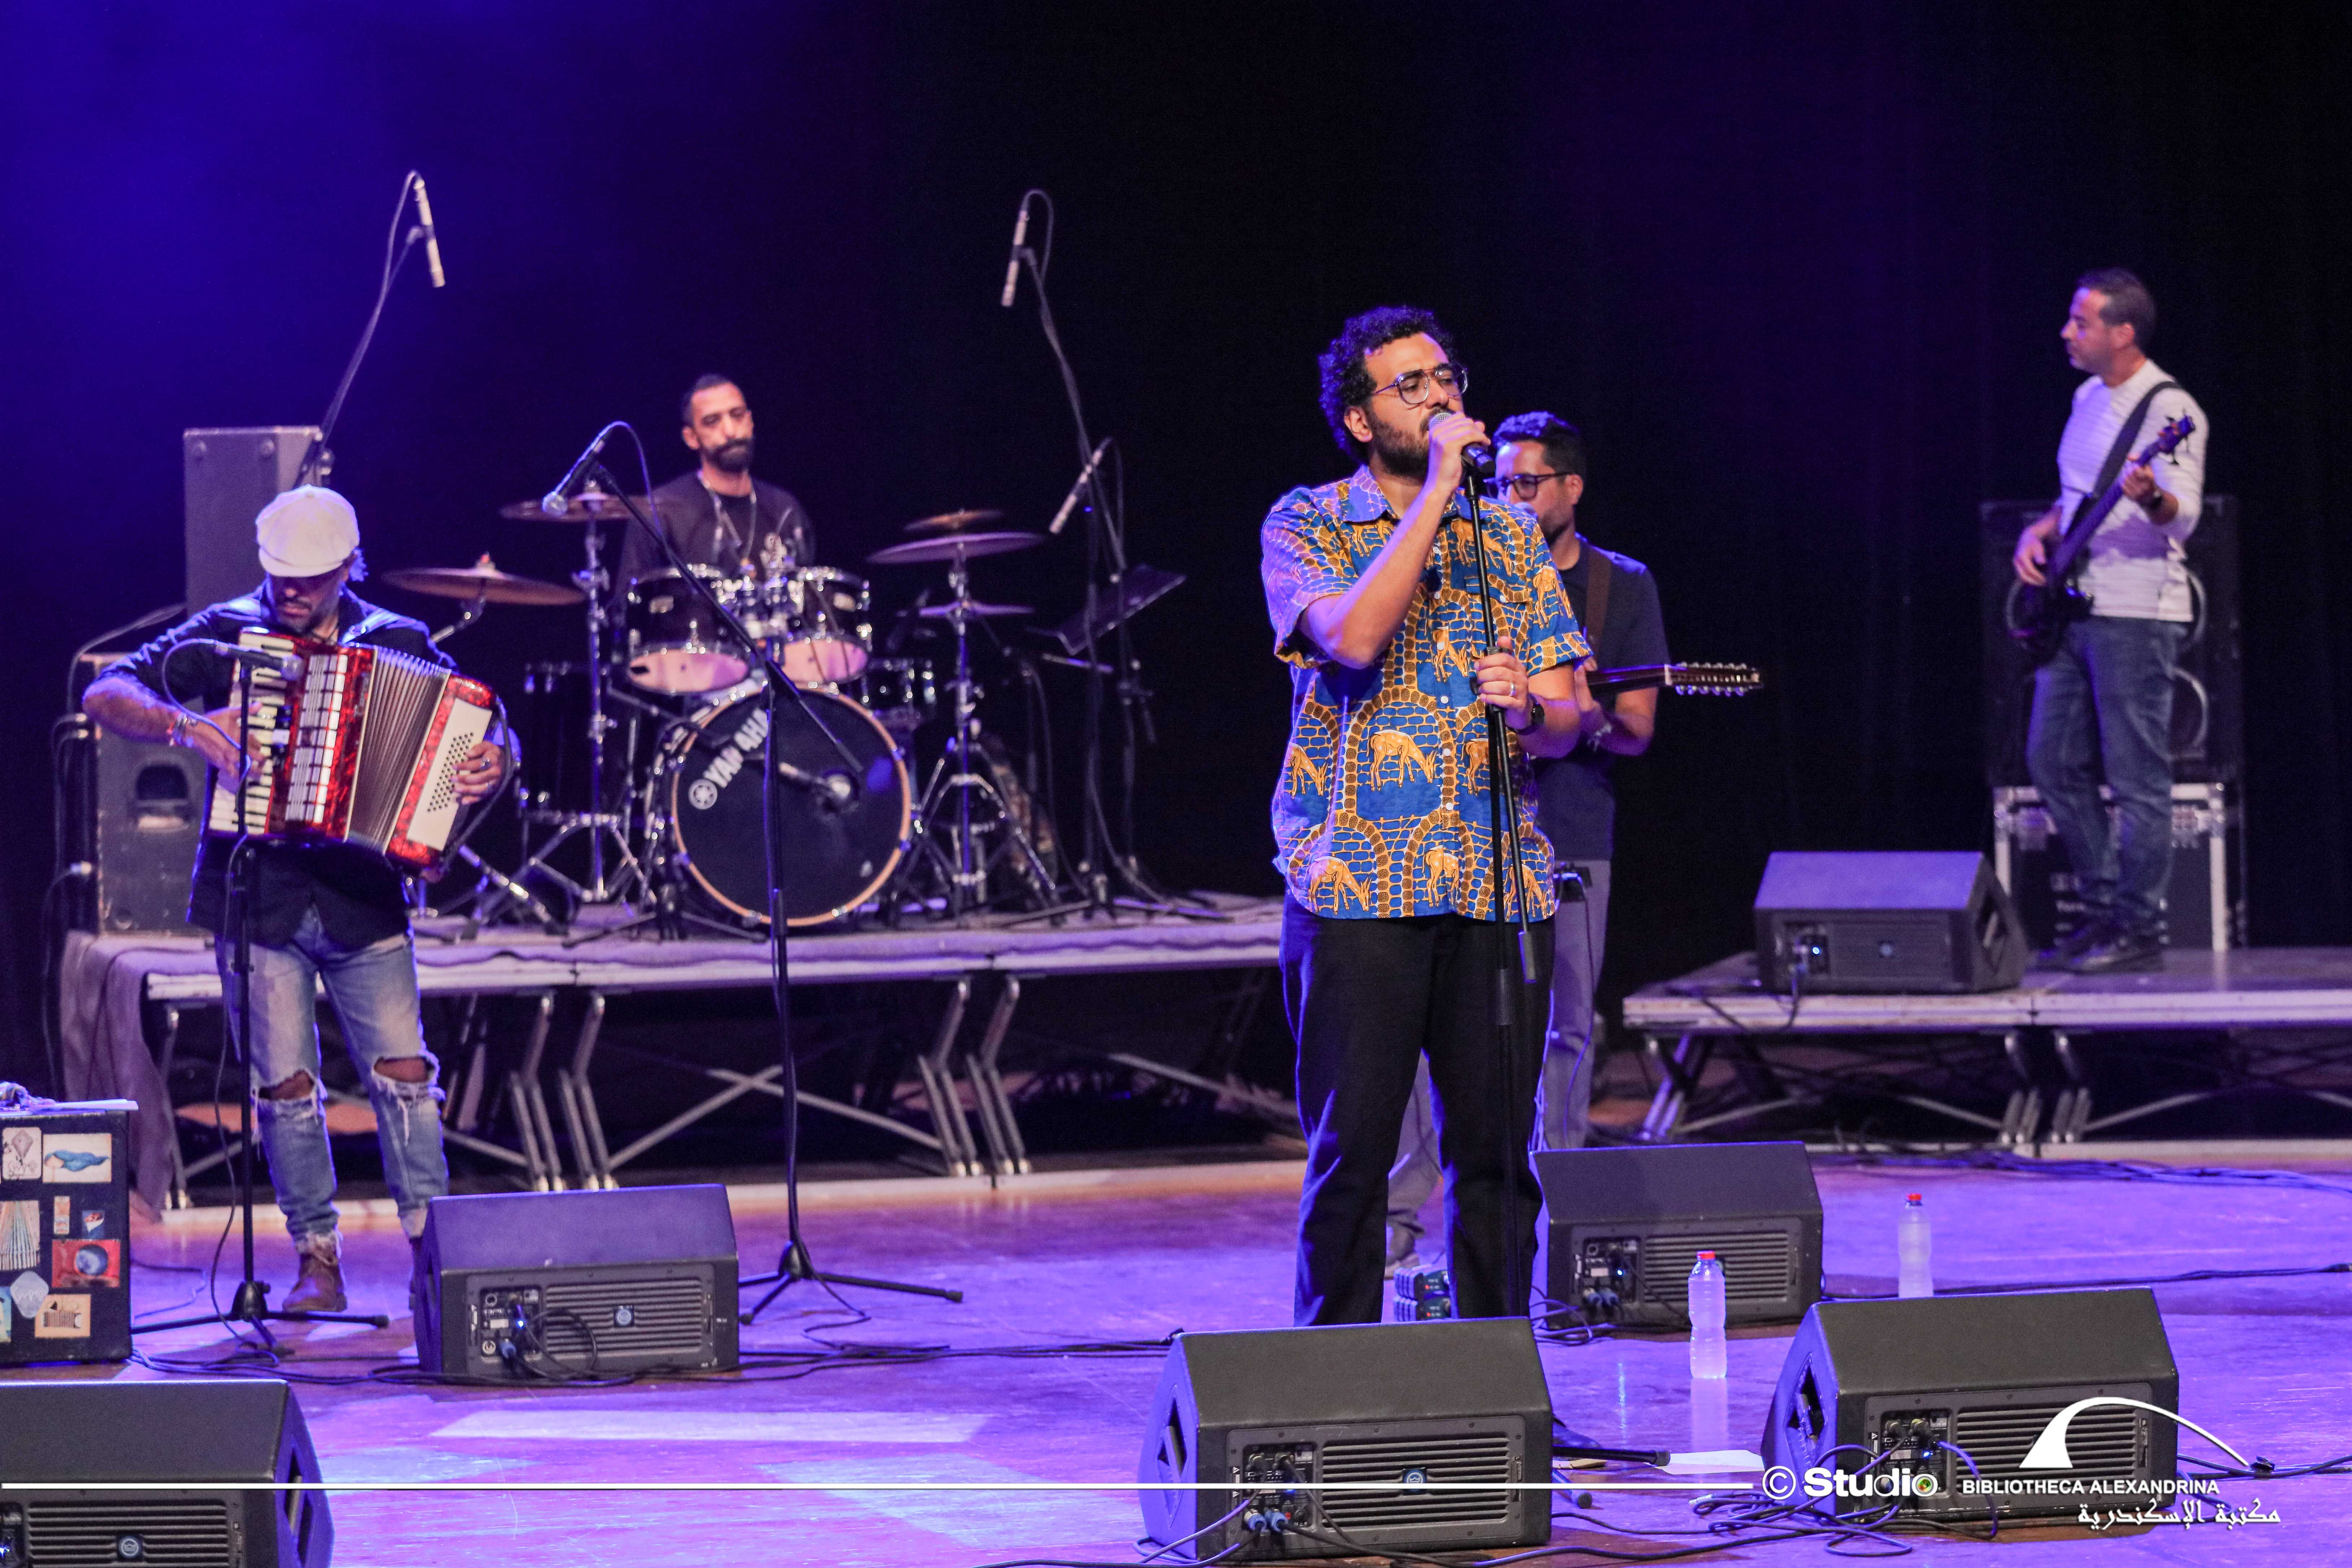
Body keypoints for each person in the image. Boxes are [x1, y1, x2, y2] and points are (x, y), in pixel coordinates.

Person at [82, 488, 507, 1312]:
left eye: (311, 578)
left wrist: (496, 757)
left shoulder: (397, 639)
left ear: (349, 567)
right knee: (283, 1087)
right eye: (281, 575)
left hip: (365, 895)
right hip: (261, 893)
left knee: (405, 1076)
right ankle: (316, 1261)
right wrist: (190, 728)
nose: (292, 592)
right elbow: (107, 692)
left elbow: (485, 729)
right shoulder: (226, 633)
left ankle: (436, 1257)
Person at [1262, 306, 1601, 1325]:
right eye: (1408, 384)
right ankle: (1336, 1380)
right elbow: (1352, 639)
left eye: (1445, 376)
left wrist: (1529, 707)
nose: (1439, 394)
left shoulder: (1508, 535)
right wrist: (1443, 488)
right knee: (1355, 1155)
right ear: (1359, 419)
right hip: (1358, 883)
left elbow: (1570, 717)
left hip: (1495, 881)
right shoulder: (1307, 521)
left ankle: (1498, 1371)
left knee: (1497, 1158)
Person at [1384, 415, 1668, 1271]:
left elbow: (1635, 728)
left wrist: (1557, 717)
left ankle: (1560, 1224)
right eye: (1501, 481)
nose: (1510, 496)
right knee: (1433, 1034)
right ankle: (1402, 1221)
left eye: (1526, 482)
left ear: (1570, 488)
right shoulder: (1464, 561)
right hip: (1464, 832)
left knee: (1565, 1030)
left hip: (1571, 830)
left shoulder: (1619, 585)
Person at [2011, 269, 2208, 974]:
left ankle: (2139, 925)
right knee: (2048, 758)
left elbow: (2182, 515)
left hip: (2135, 614)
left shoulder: (2171, 409)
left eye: (2081, 322)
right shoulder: (2087, 395)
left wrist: (2151, 496)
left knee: (2135, 777)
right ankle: (2102, 909)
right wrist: (2040, 530)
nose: (2066, 332)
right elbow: (2078, 494)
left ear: (2122, 333)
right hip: (2076, 607)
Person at [615, 374, 816, 591]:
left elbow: (811, 600)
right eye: (712, 422)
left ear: (750, 422)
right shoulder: (659, 512)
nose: (730, 431)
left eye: (737, 416)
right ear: (691, 438)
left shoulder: (785, 508)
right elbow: (629, 602)